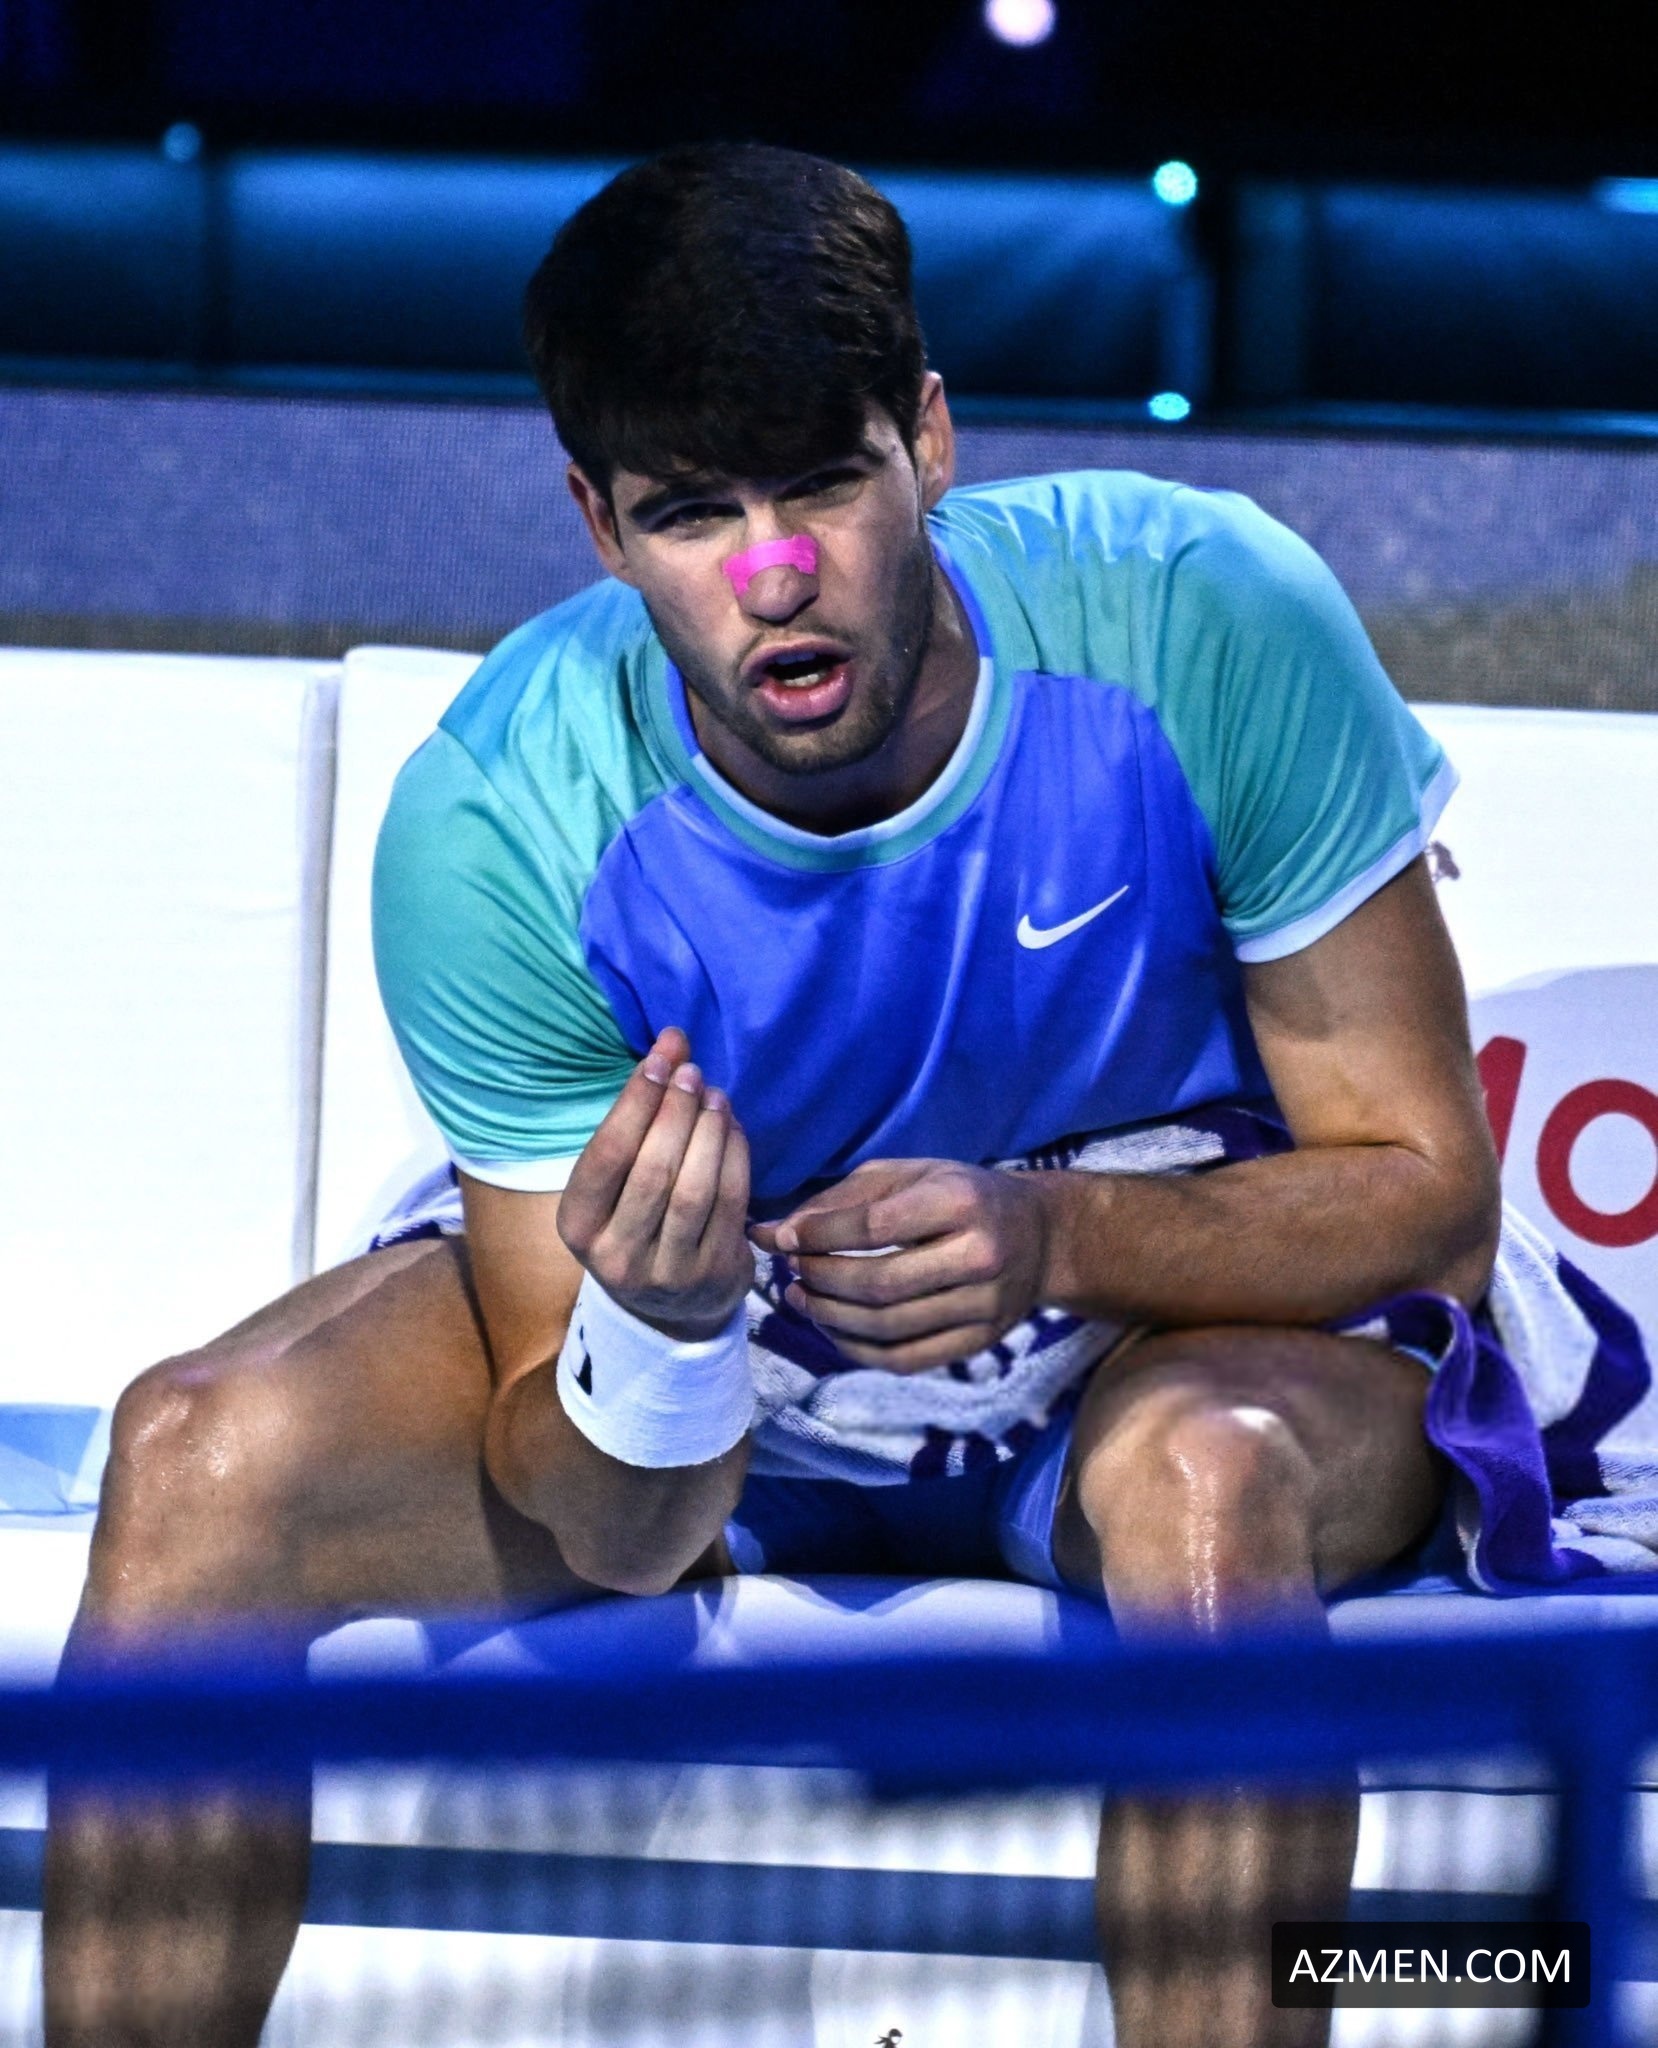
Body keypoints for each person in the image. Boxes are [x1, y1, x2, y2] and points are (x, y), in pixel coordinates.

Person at [45, 142, 1505, 2048]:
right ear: (596, 523)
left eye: (821, 481)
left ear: (930, 439)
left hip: (1160, 1318)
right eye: (690, 513)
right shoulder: (499, 819)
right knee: (193, 1459)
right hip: (735, 1377)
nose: (774, 575)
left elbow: (1425, 1199)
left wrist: (1056, 1235)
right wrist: (656, 1337)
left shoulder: (1201, 615)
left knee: (1209, 1482)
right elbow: (619, 1530)